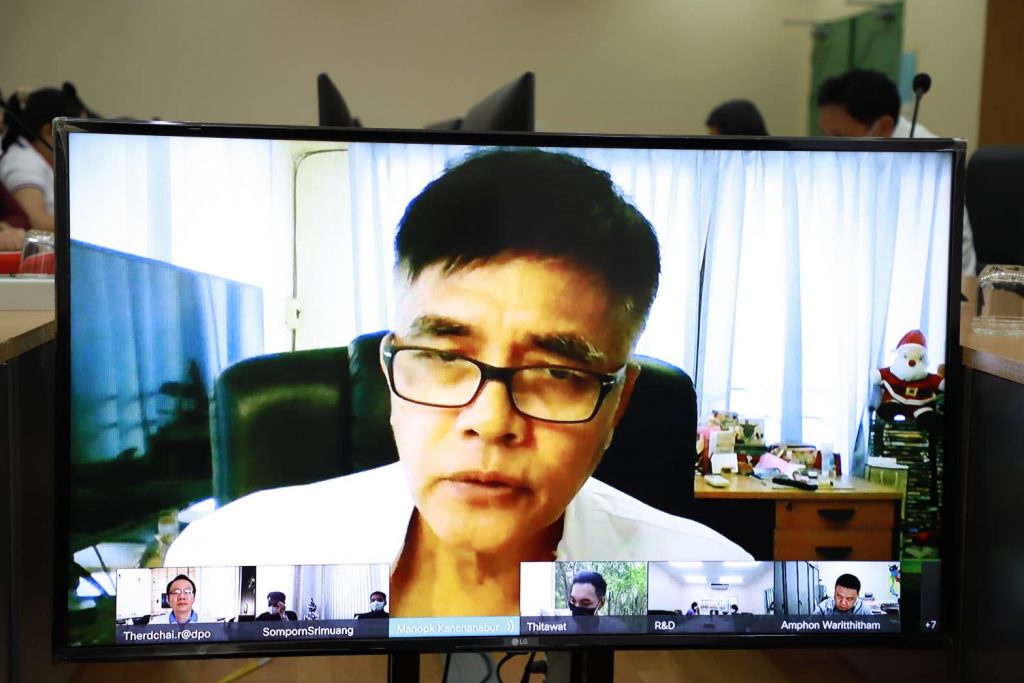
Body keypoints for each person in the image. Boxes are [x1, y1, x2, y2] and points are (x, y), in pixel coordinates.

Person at [164, 148, 752, 617]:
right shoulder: (229, 566)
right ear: (390, 376)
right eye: (444, 356)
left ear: (618, 404)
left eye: (557, 372)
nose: (490, 422)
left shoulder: (702, 587)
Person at [815, 68, 977, 274]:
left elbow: (950, 255)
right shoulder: (846, 160)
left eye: (838, 137)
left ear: (883, 127)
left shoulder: (932, 161)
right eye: (824, 135)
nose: (828, 149)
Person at [0, 86, 86, 233]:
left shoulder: (40, 157)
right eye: (77, 134)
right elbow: (35, 222)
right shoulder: (24, 162)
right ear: (49, 131)